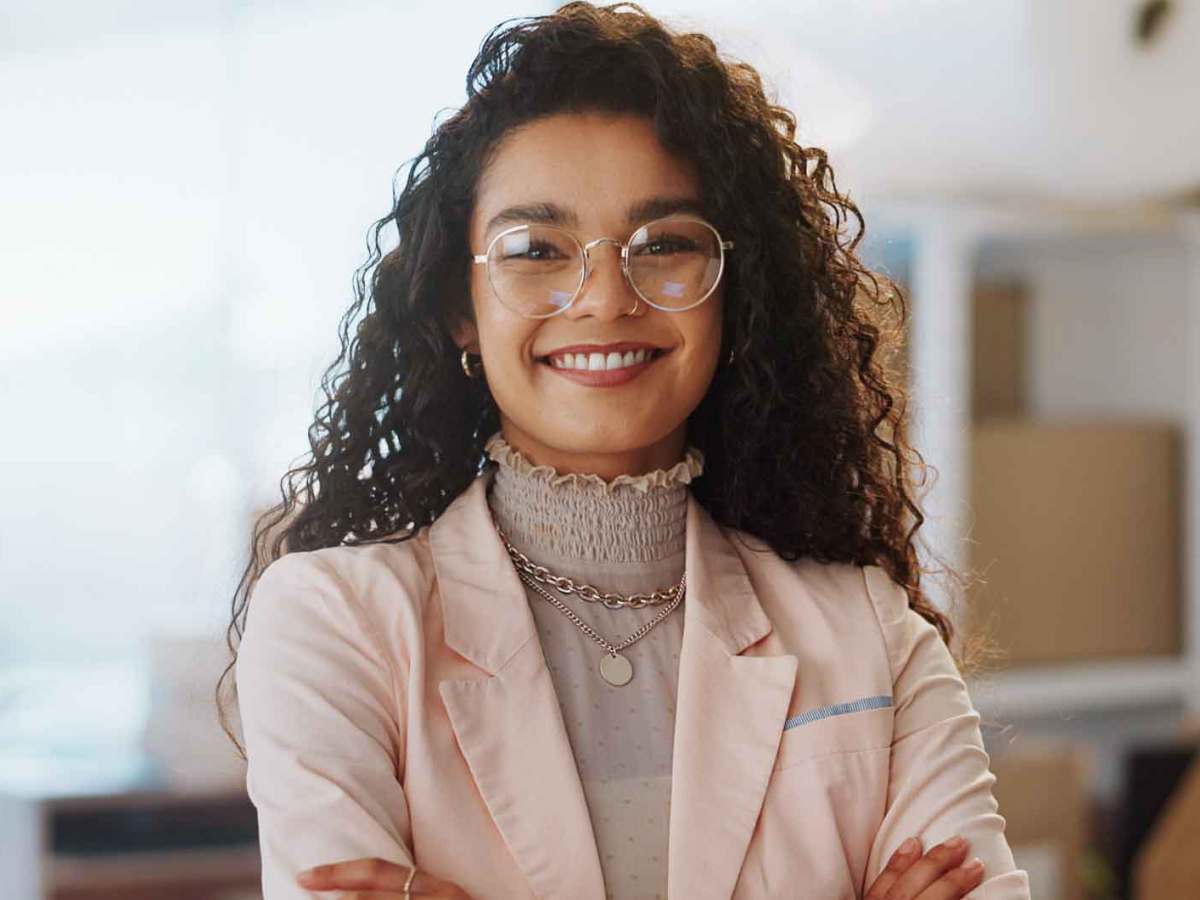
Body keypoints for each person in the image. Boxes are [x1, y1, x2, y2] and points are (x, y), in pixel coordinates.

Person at [217, 3, 1031, 898]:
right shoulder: (334, 625)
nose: (605, 297)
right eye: (536, 248)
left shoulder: (870, 631)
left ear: (735, 294)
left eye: (666, 244)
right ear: (461, 306)